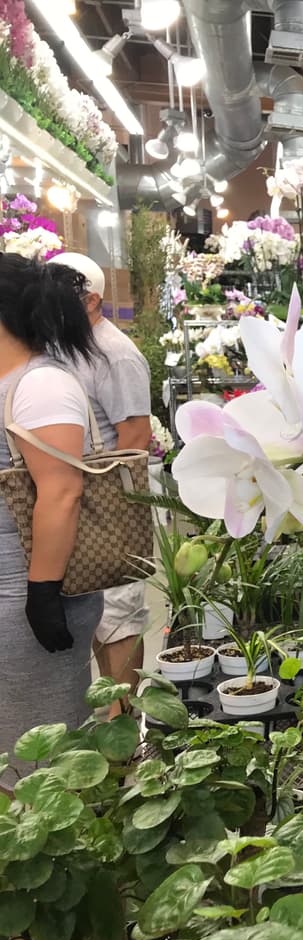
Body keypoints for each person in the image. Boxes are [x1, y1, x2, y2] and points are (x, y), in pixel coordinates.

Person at [0, 254, 105, 785]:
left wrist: (42, 595)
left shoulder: (40, 387)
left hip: (26, 599)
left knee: (40, 755)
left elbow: (61, 492)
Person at [51, 252, 152, 717]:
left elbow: (134, 437)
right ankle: (110, 712)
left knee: (121, 614)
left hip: (109, 498)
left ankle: (125, 721)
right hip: (80, 496)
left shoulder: (115, 353)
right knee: (96, 611)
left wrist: (108, 501)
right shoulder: (67, 345)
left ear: (91, 300)